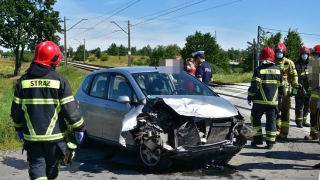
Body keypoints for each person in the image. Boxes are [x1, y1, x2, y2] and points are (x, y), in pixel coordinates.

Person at [10, 40, 86, 180]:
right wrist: (79, 127)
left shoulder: (23, 81)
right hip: (55, 138)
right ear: (53, 59)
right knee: (52, 168)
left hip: (32, 137)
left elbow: (16, 112)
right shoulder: (60, 80)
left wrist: (18, 128)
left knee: (37, 167)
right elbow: (70, 111)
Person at [248, 47, 285, 149]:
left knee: (255, 119)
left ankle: (257, 140)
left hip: (259, 102)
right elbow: (282, 88)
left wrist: (249, 96)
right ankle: (270, 143)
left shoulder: (258, 70)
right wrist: (281, 96)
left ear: (262, 58)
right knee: (271, 121)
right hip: (273, 103)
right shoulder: (278, 71)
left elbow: (254, 86)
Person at [273, 42, 299, 140]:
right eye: (277, 51)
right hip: (274, 93)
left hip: (285, 94)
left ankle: (284, 132)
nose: (279, 53)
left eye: (281, 51)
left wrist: (295, 86)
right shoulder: (272, 62)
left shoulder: (289, 63)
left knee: (285, 113)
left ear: (284, 52)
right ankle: (276, 130)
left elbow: (294, 76)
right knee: (275, 112)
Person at [304, 44, 320, 141]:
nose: (314, 57)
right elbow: (311, 83)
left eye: (316, 55)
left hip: (317, 96)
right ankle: (313, 134)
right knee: (313, 116)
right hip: (314, 97)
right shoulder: (313, 65)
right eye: (313, 55)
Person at [294, 46, 311, 128]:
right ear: (300, 55)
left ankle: (304, 120)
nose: (304, 55)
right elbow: (293, 77)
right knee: (299, 106)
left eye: (306, 54)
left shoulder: (311, 64)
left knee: (307, 106)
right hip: (299, 88)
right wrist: (295, 89)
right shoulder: (296, 65)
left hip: (309, 88)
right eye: (303, 54)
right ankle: (299, 121)